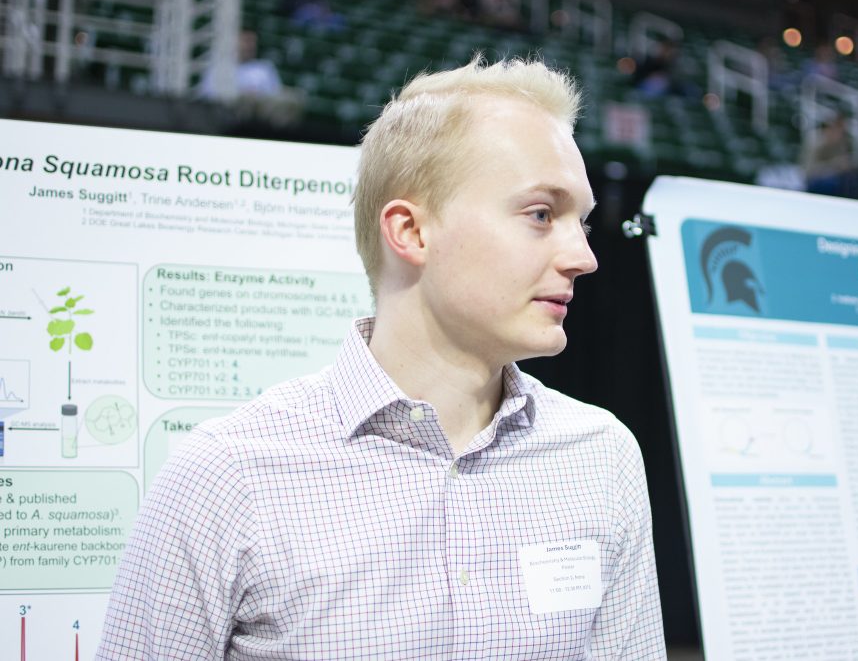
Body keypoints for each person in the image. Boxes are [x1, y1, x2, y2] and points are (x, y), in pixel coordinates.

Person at [96, 56, 666, 659]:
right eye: (541, 214)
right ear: (411, 232)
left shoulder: (602, 456)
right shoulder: (228, 476)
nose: (584, 256)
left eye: (582, 221)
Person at [199, 30, 304, 127]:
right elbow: (207, 94)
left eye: (252, 42)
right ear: (235, 43)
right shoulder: (219, 68)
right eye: (245, 41)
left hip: (261, 114)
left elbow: (275, 94)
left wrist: (257, 95)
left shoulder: (264, 68)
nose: (249, 46)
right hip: (228, 112)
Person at [802, 114, 858, 199]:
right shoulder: (816, 143)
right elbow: (809, 171)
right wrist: (833, 165)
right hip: (816, 182)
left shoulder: (841, 144)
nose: (839, 134)